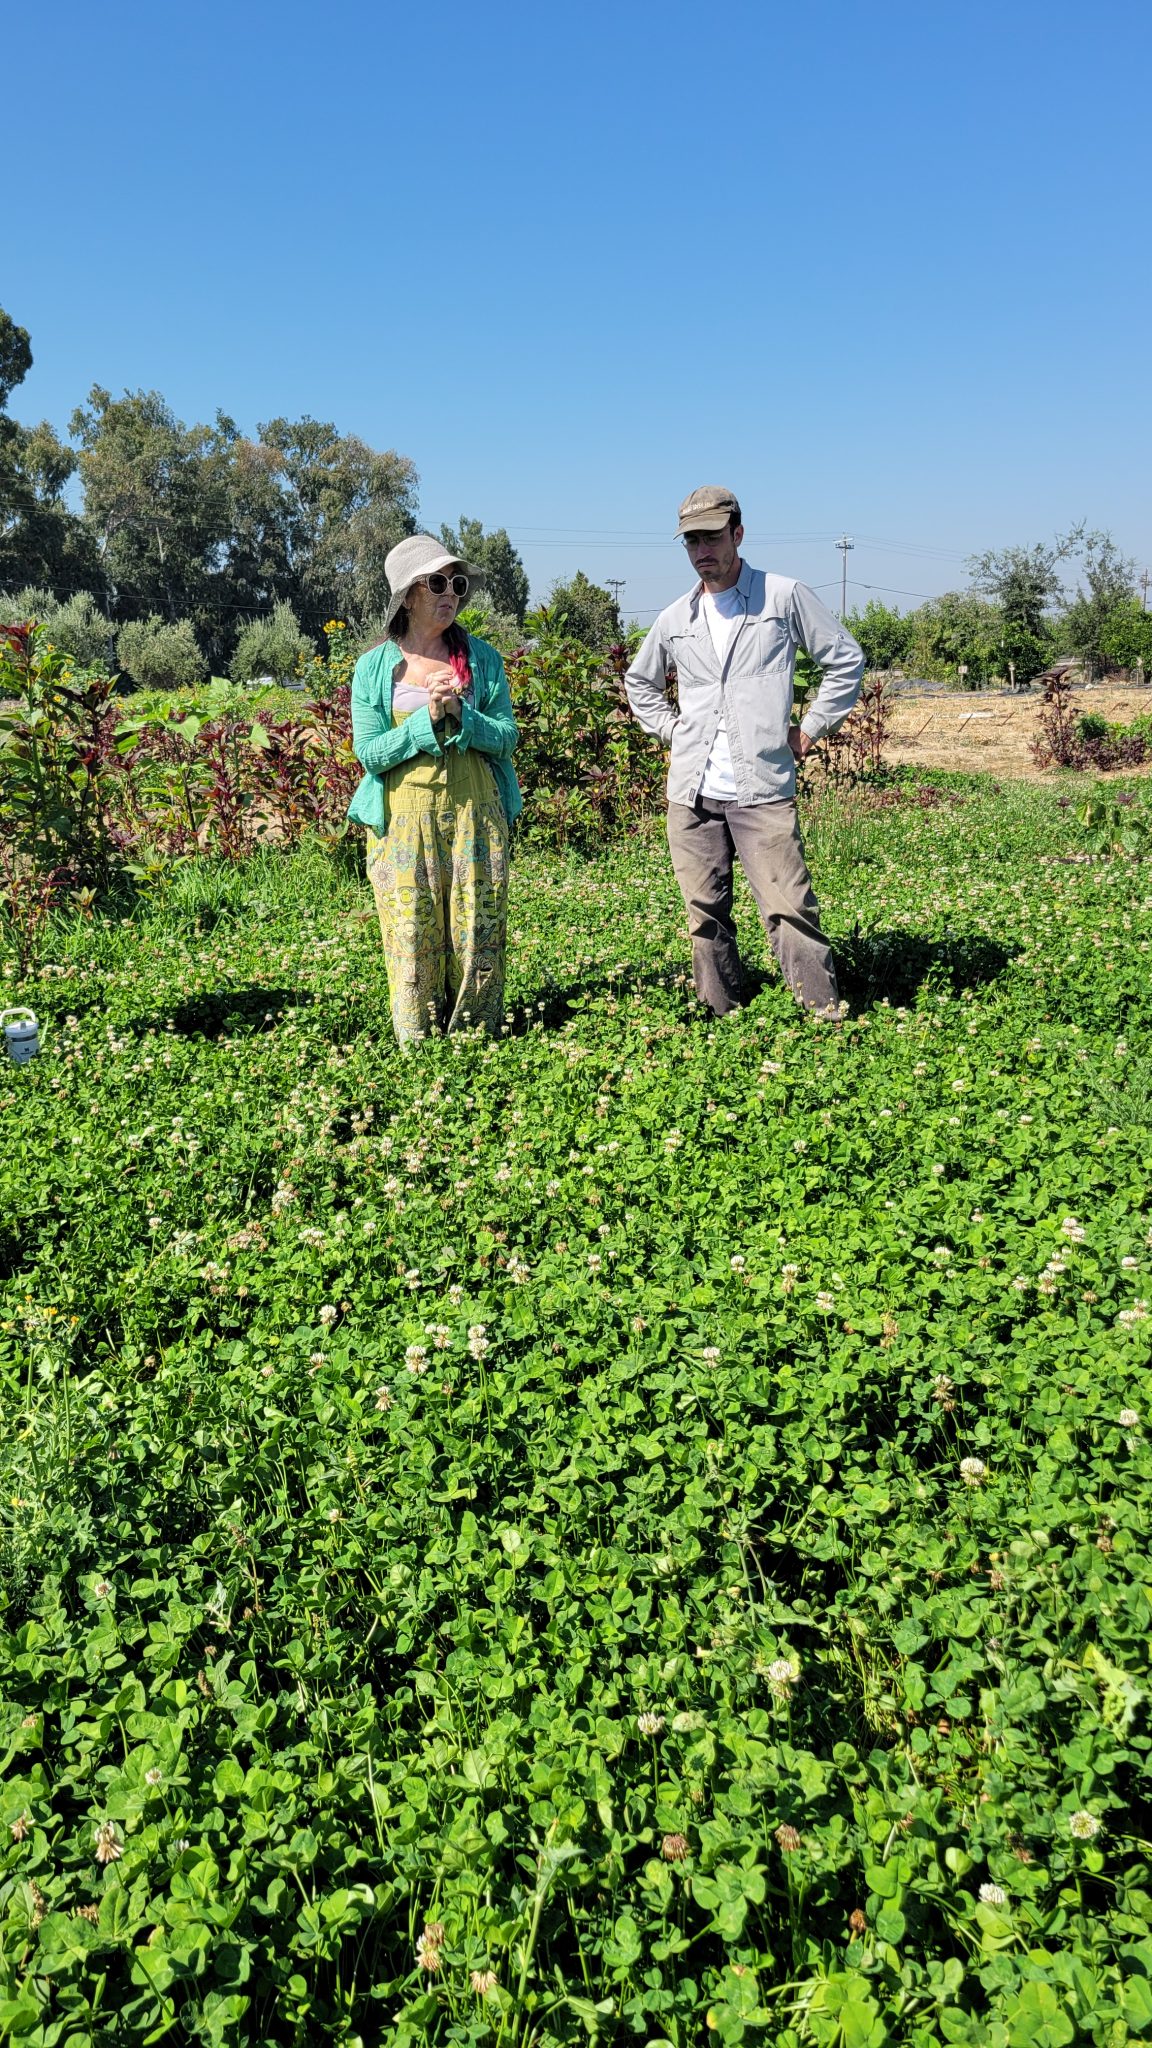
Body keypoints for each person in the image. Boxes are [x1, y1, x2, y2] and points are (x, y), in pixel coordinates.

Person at [624, 486, 864, 1018]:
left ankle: (821, 1017)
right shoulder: (674, 618)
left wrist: (811, 727)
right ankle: (723, 1016)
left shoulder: (783, 597)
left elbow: (845, 659)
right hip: (692, 795)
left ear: (737, 534)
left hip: (762, 791)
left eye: (711, 536)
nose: (701, 549)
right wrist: (673, 730)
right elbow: (639, 682)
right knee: (703, 915)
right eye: (691, 541)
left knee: (788, 909)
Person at [348, 534, 522, 1044]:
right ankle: (419, 1046)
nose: (452, 593)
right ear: (407, 596)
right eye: (438, 583)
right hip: (402, 821)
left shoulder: (482, 659)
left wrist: (462, 717)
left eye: (458, 584)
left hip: (477, 812)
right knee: (411, 937)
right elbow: (371, 753)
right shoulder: (374, 669)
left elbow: (507, 738)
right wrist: (425, 723)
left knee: (477, 932)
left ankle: (474, 1038)